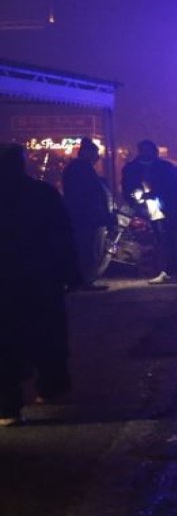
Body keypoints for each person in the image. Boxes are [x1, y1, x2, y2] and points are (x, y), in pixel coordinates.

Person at [0, 144, 78, 426]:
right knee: (48, 333)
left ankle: (7, 405)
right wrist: (71, 273)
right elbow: (63, 236)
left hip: (5, 282)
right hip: (41, 278)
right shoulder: (43, 194)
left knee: (5, 340)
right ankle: (52, 386)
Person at [121, 139, 177, 284]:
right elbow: (127, 189)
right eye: (144, 150)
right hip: (149, 210)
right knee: (161, 241)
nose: (146, 153)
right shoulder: (134, 168)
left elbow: (171, 188)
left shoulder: (164, 167)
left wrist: (151, 194)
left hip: (164, 209)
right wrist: (135, 196)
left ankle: (169, 271)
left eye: (149, 150)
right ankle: (169, 271)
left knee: (167, 241)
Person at [61, 137, 113, 289]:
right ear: (87, 153)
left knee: (84, 247)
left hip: (81, 215)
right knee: (86, 248)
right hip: (85, 216)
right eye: (95, 153)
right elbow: (90, 194)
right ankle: (84, 280)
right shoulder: (81, 168)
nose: (97, 157)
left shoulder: (76, 168)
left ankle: (81, 279)